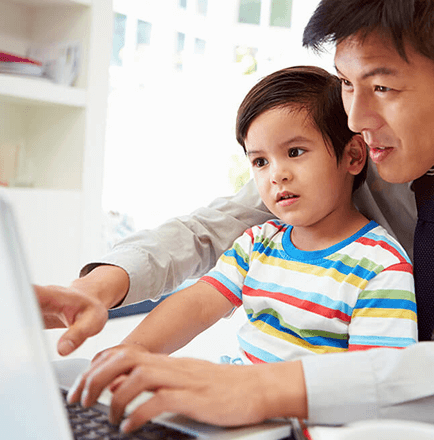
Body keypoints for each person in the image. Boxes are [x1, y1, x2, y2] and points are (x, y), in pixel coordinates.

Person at [37, 0, 434, 433]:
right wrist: (101, 287)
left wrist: (266, 388)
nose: (355, 118)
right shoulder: (353, 156)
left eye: (383, 88)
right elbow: (213, 228)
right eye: (346, 83)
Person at [68, 66, 416, 381]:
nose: (277, 174)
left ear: (353, 155)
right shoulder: (258, 243)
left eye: (295, 152)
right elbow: (198, 305)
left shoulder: (381, 267)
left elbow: (373, 385)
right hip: (235, 404)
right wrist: (130, 353)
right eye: (260, 161)